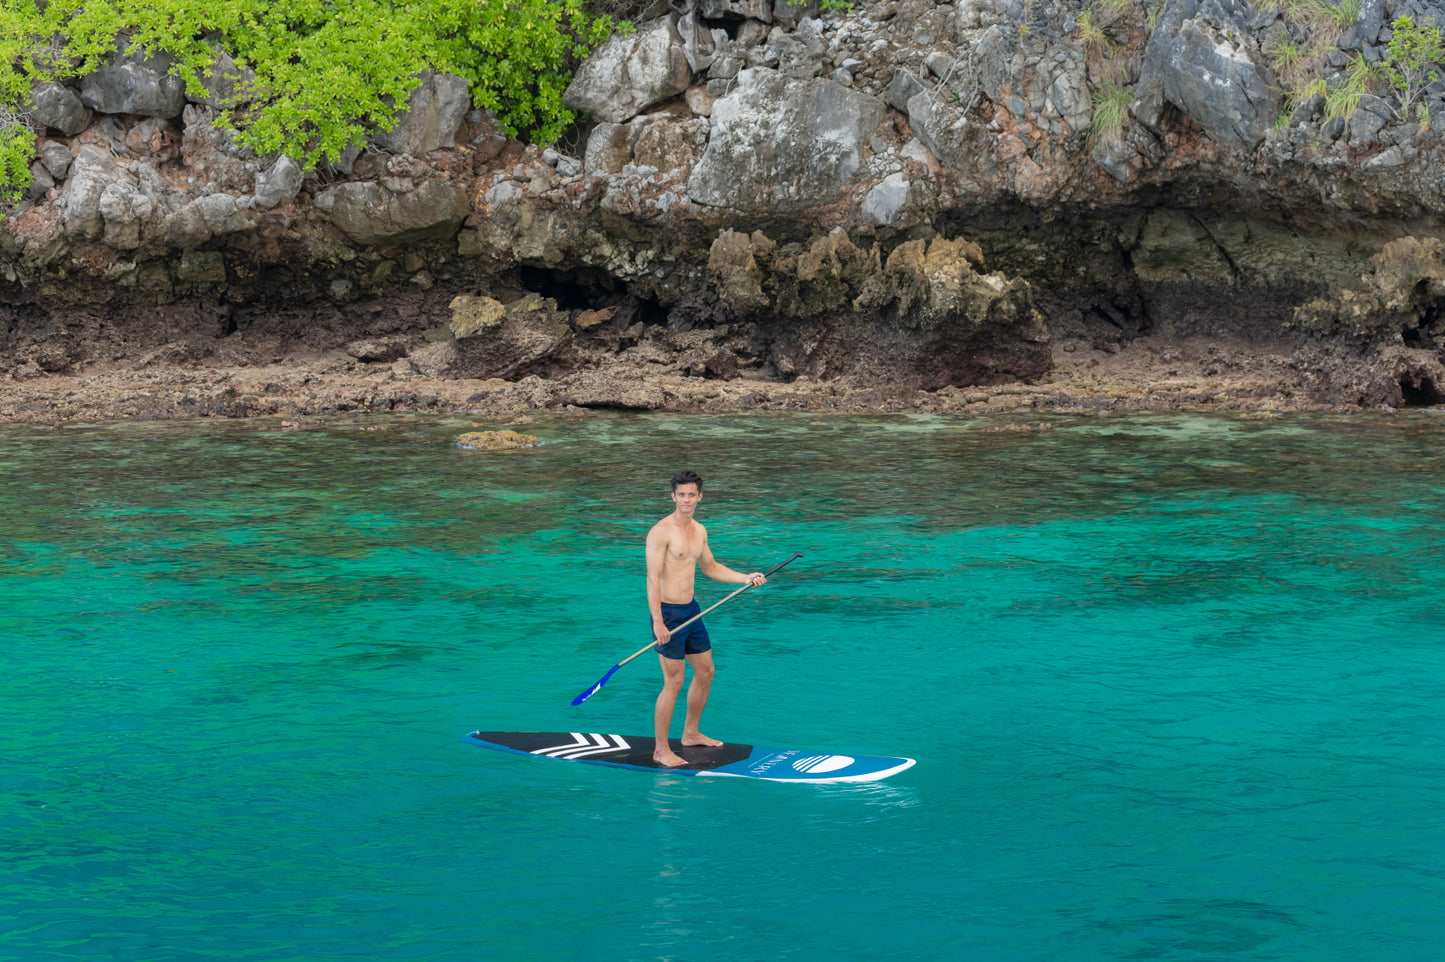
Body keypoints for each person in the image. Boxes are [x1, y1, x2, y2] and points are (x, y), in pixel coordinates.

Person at [645, 469, 765, 768]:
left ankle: (690, 733)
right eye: (681, 495)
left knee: (707, 671)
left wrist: (745, 578)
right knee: (673, 681)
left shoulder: (699, 530)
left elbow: (710, 567)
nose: (686, 499)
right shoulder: (661, 531)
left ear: (700, 496)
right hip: (669, 614)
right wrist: (658, 622)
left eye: (691, 494)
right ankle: (661, 750)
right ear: (673, 497)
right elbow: (651, 578)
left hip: (691, 610)